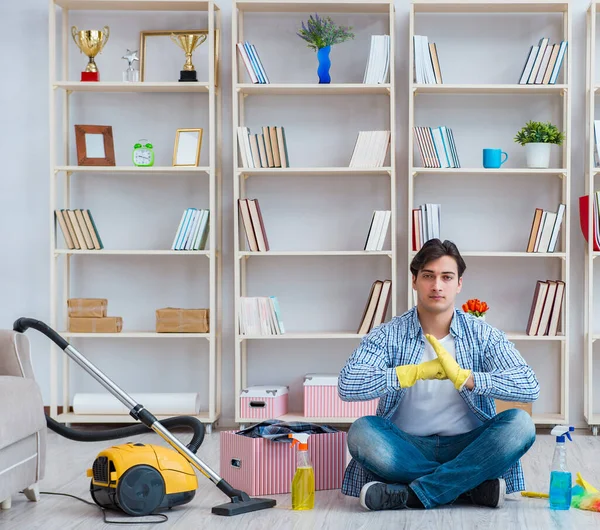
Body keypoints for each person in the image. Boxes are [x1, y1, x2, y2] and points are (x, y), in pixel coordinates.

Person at [338, 238, 539, 511]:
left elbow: (529, 385)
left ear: (459, 284)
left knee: (521, 425)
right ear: (414, 281)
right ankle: (468, 487)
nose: (437, 285)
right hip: (406, 446)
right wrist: (410, 373)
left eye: (446, 277)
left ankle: (411, 494)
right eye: (428, 276)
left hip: (469, 447)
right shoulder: (388, 333)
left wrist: (468, 379)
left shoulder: (482, 333)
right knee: (362, 432)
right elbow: (348, 385)